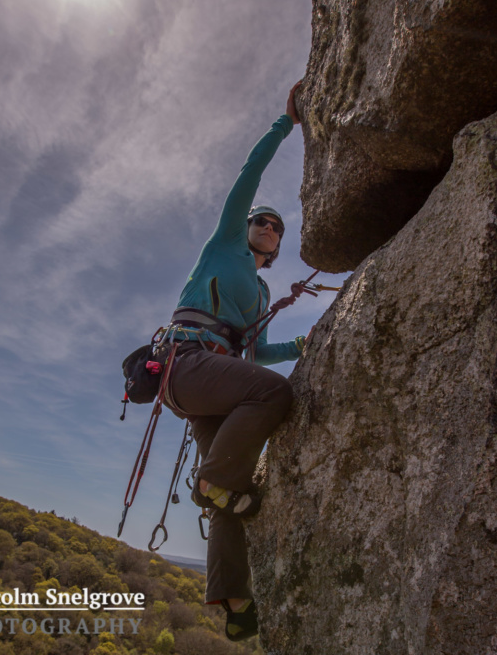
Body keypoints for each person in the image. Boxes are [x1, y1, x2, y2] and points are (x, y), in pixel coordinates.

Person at [161, 81, 307, 641]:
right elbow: (246, 181)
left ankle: (235, 604)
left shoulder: (264, 296)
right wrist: (284, 124)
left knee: (230, 491)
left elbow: (255, 353)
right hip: (188, 362)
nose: (267, 226)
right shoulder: (225, 245)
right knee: (273, 395)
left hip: (208, 384)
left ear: (276, 247)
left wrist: (298, 348)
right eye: (262, 220)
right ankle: (213, 481)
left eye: (276, 227)